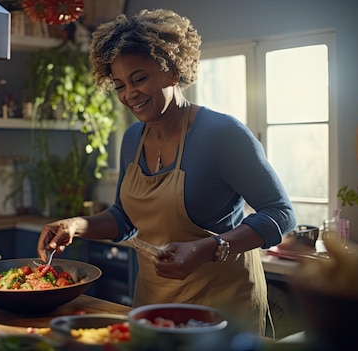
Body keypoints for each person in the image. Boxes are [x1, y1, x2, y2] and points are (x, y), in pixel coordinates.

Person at [36, 8, 296, 335]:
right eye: (119, 85)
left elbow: (282, 213)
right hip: (153, 305)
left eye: (139, 78)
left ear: (172, 70)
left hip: (223, 310)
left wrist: (211, 247)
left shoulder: (222, 134)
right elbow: (124, 219)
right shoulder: (132, 139)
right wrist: (76, 225)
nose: (129, 94)